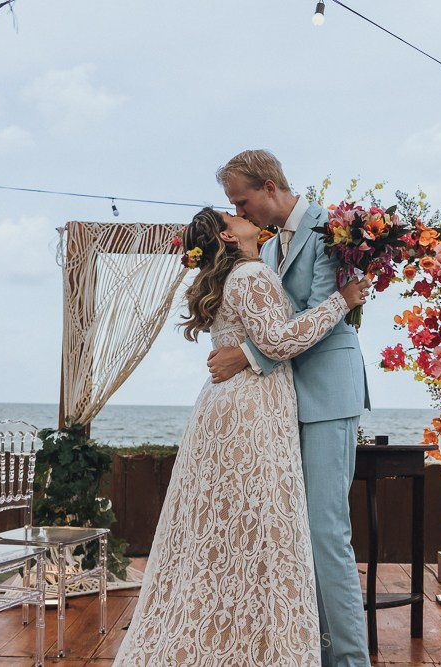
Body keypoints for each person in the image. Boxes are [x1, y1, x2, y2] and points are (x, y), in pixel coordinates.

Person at [113, 207, 369, 666]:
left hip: (229, 405)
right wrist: (343, 300)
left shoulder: (248, 270)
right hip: (252, 408)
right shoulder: (251, 273)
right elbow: (280, 341)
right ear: (229, 237)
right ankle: (258, 643)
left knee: (235, 528)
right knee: (266, 524)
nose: (242, 213)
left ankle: (238, 635)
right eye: (232, 213)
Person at [208, 150, 372, 667]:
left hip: (326, 396)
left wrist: (245, 356)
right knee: (296, 535)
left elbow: (317, 317)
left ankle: (349, 662)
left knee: (326, 534)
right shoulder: (271, 245)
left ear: (271, 184)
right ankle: (313, 653)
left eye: (242, 200)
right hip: (283, 405)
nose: (239, 210)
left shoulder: (331, 230)